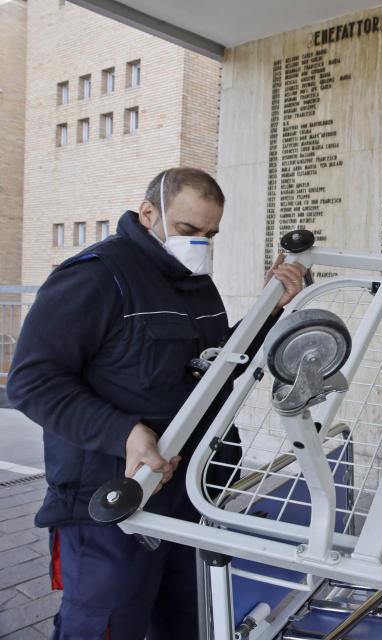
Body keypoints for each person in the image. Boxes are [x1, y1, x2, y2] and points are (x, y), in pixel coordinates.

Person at [7, 168, 307, 640]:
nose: (200, 242)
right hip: (112, 501)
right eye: (189, 230)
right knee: (107, 625)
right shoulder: (95, 276)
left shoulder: (194, 282)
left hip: (189, 493)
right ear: (149, 214)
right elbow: (31, 380)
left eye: (211, 234)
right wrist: (123, 431)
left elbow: (215, 367)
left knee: (185, 622)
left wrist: (269, 311)